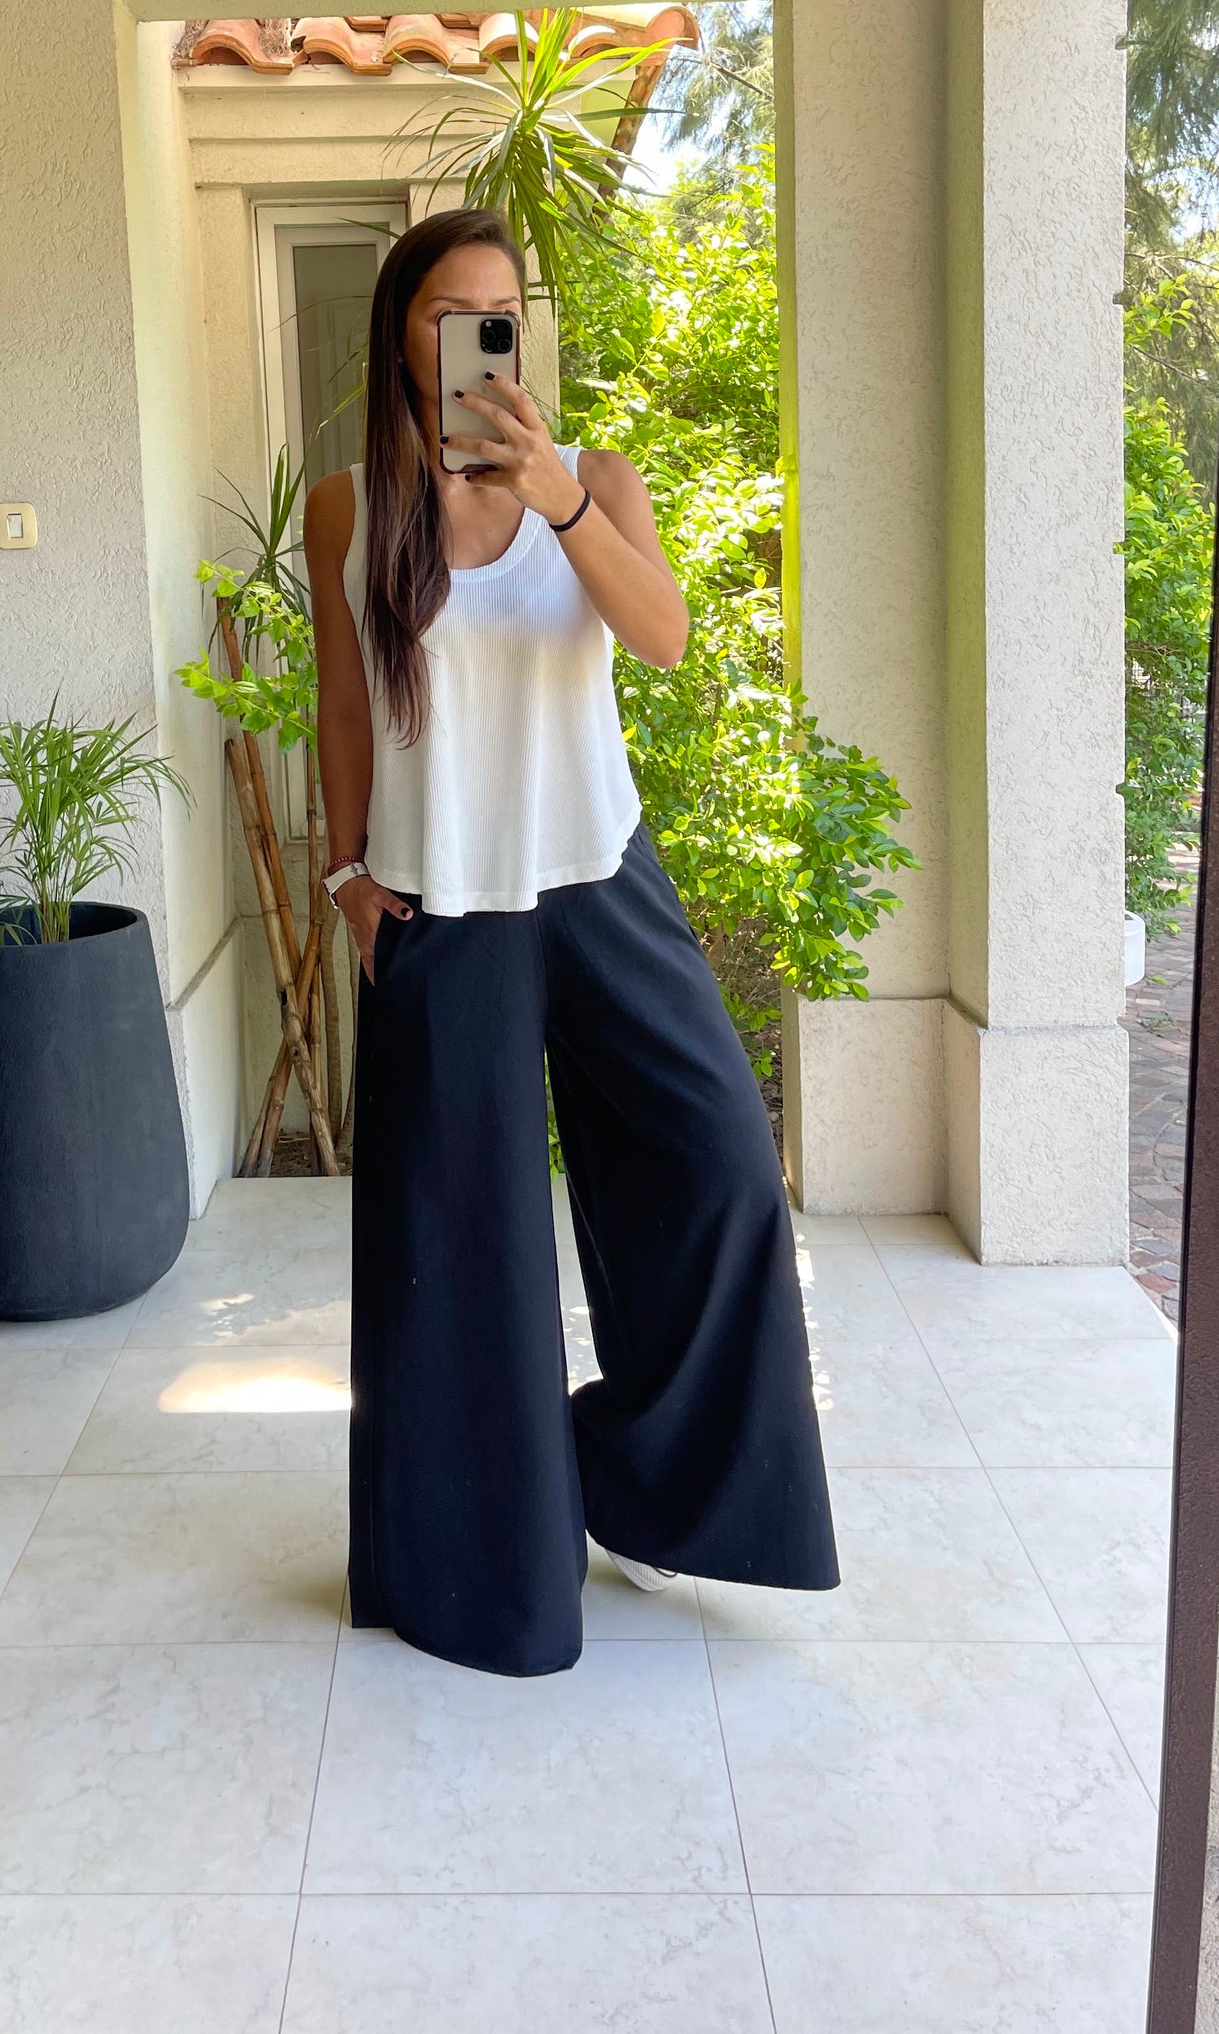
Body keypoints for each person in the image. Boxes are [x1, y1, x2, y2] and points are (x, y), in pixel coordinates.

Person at [304, 207, 838, 1678]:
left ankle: (643, 1480)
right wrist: (342, 871)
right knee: (461, 1246)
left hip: (599, 876)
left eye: (498, 312)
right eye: (447, 313)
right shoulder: (347, 508)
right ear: (399, 336)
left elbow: (662, 635)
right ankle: (480, 1572)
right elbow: (343, 702)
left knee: (721, 1167)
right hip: (438, 900)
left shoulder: (593, 478)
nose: (478, 337)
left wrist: (555, 502)